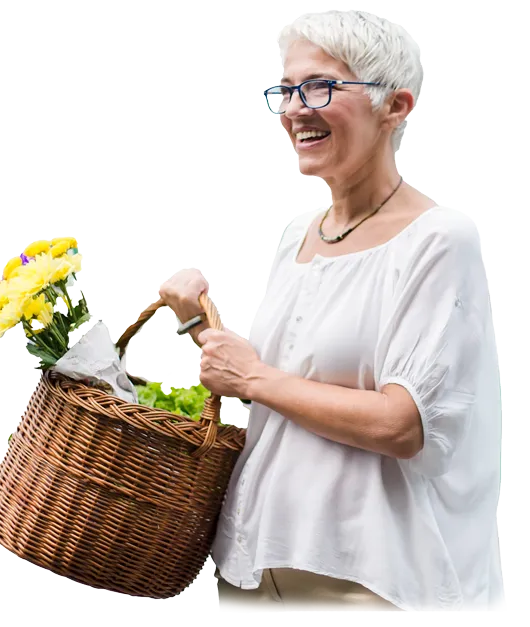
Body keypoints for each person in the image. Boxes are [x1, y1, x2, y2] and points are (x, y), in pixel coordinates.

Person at [159, 8, 505, 614]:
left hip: (363, 578)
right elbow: (291, 384)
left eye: (318, 86)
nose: (294, 109)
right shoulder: (297, 232)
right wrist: (198, 321)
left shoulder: (438, 239)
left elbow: (403, 425)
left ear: (394, 107)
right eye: (284, 90)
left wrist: (254, 378)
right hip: (252, 559)